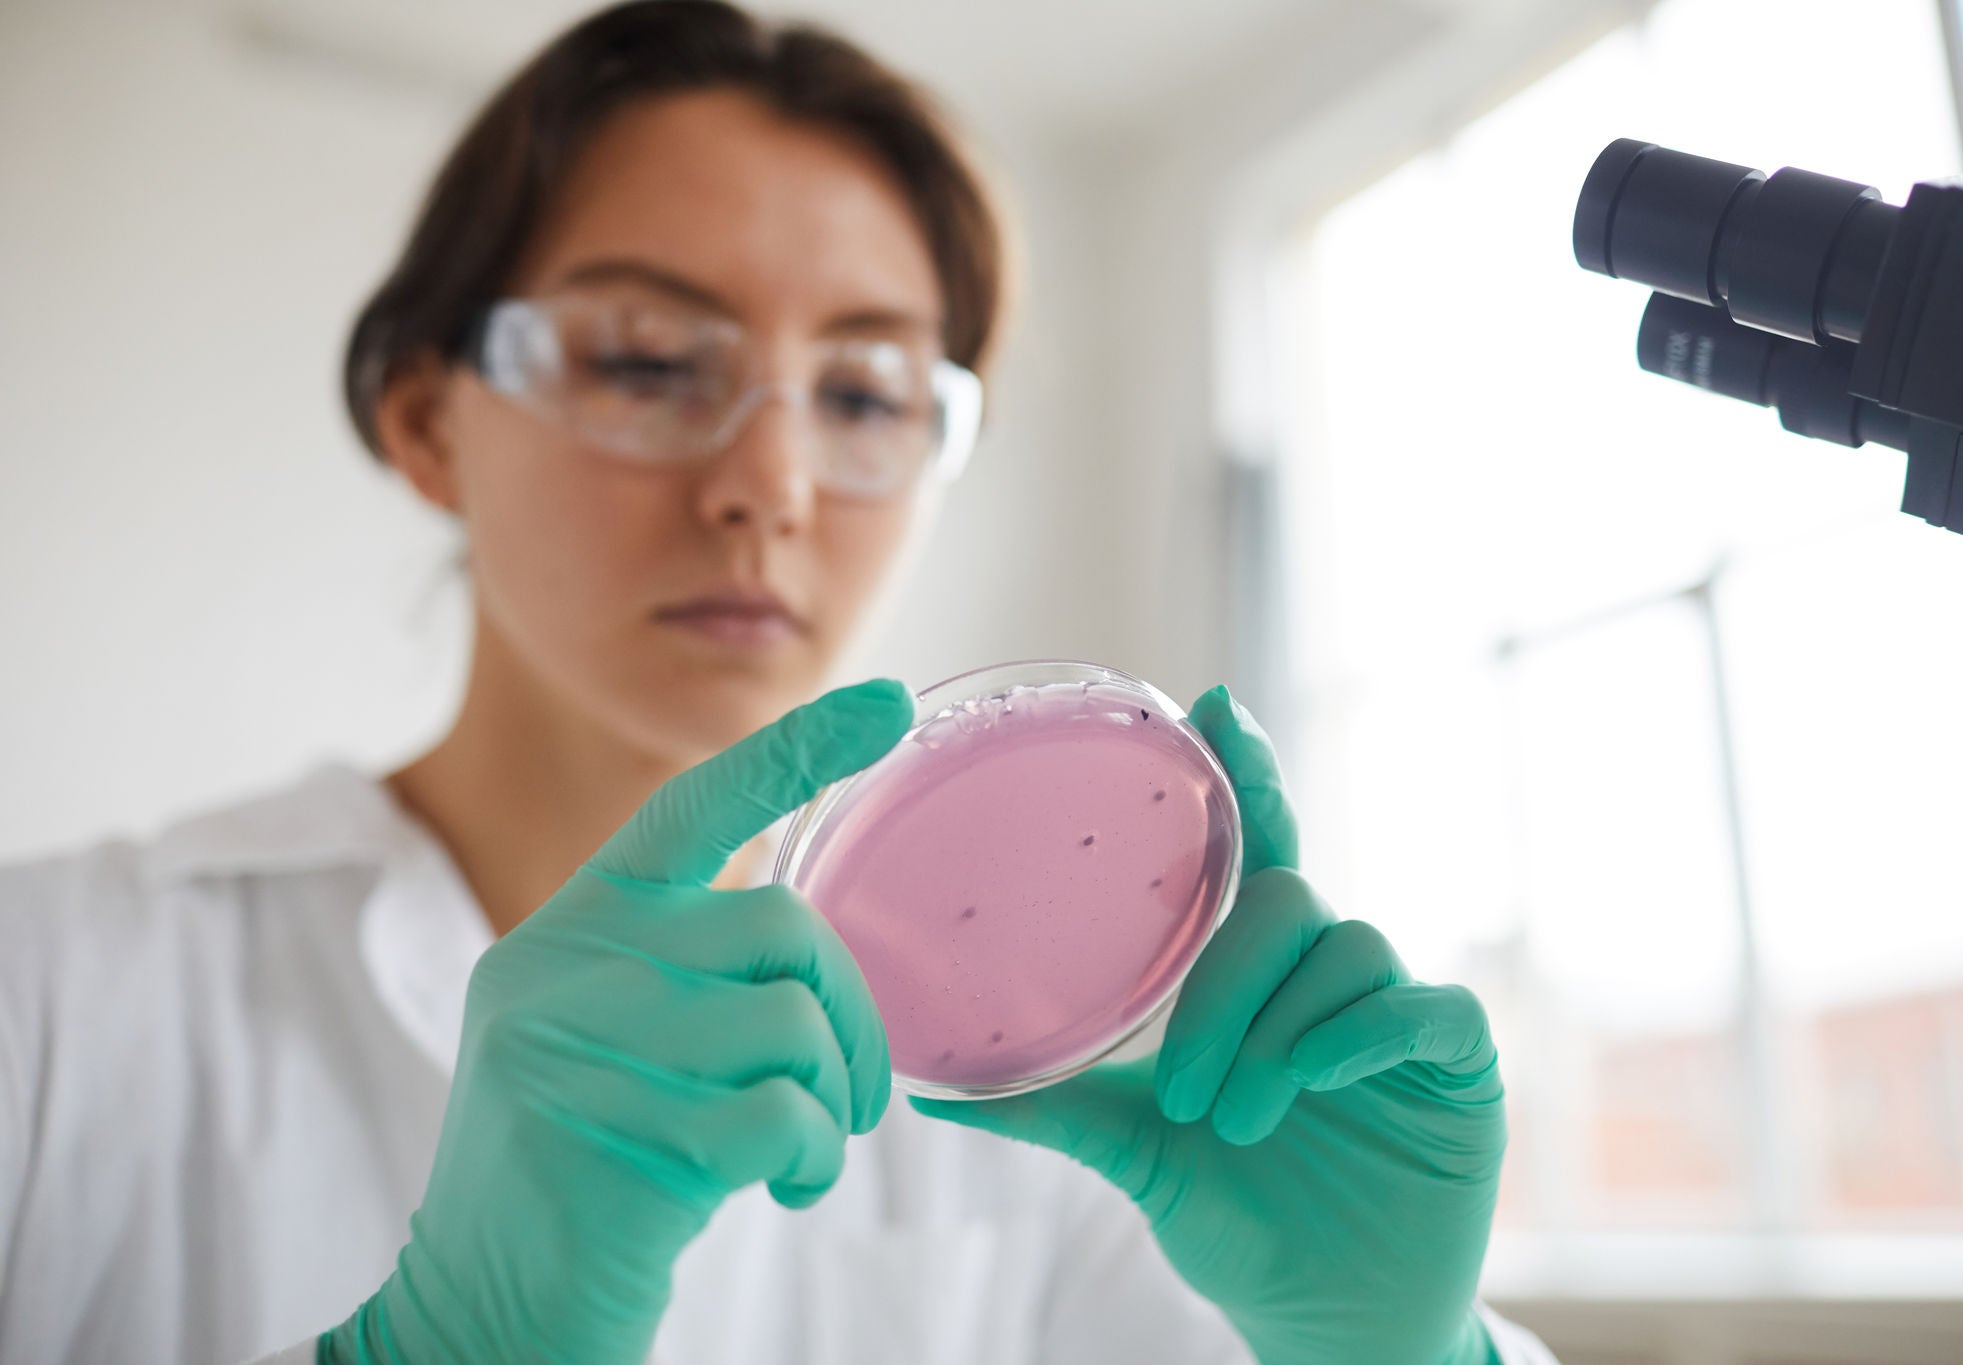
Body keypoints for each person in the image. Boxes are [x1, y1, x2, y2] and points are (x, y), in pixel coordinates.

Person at [0, 3, 1554, 1362]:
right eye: (649, 360)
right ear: (425, 420)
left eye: (868, 390)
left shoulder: (1055, 1096)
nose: (774, 483)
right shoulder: (55, 993)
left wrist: (1408, 1353)